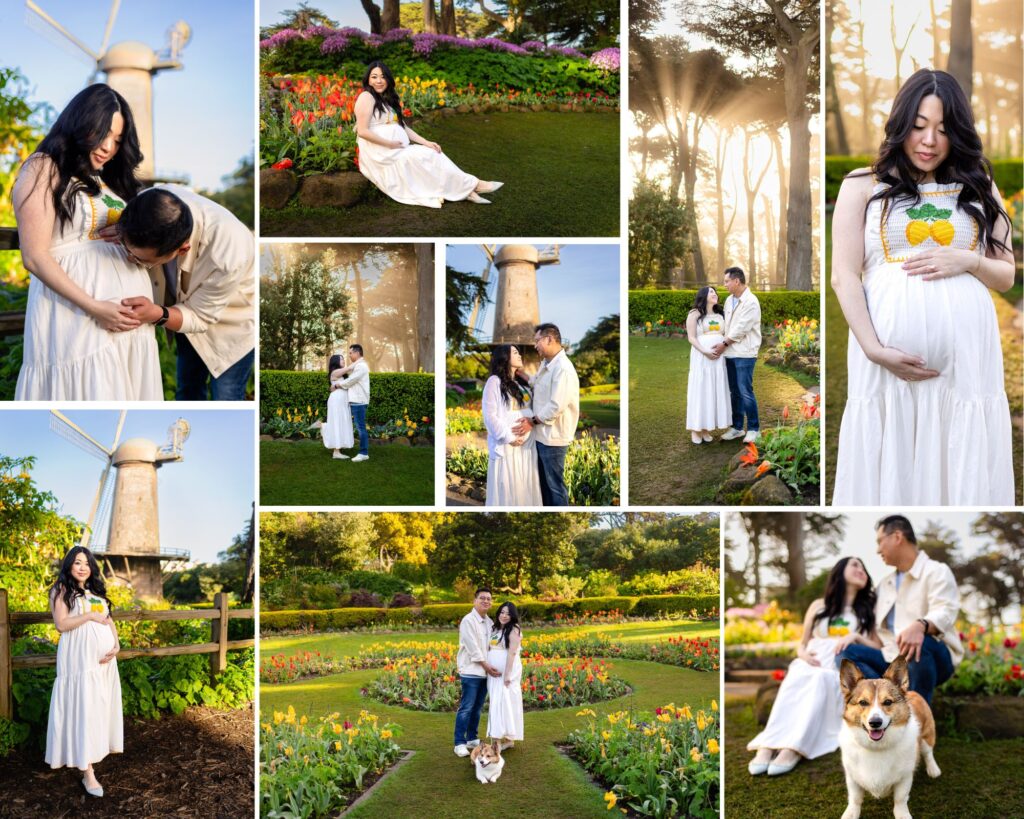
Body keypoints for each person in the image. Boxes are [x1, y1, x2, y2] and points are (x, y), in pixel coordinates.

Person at [831, 69, 1015, 505]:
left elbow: (1006, 275)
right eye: (918, 126)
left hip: (966, 369)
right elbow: (843, 276)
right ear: (900, 124)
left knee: (960, 453)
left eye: (943, 129)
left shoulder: (979, 185)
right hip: (885, 367)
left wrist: (968, 260)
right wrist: (875, 349)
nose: (928, 140)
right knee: (891, 453)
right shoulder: (862, 185)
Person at [13, 83, 161, 400]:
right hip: (77, 315)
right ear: (81, 124)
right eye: (102, 133)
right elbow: (35, 257)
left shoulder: (105, 180)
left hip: (127, 328)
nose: (109, 147)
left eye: (118, 140)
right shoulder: (43, 167)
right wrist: (95, 308)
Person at [110, 185, 256, 401]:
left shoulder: (228, 252)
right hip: (184, 319)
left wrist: (156, 314)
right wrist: (122, 232)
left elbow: (199, 316)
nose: (131, 260)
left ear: (182, 250)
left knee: (226, 398)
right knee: (187, 391)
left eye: (141, 260)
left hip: (231, 327)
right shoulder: (148, 205)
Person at [747, 557, 880, 777]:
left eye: (863, 567)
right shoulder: (819, 606)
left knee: (821, 680)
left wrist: (856, 637)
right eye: (855, 565)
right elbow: (803, 641)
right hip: (813, 659)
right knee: (798, 673)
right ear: (840, 571)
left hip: (836, 665)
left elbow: (877, 646)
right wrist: (803, 655)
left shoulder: (867, 611)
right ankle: (768, 744)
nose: (861, 570)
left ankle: (794, 748)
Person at [838, 515, 962, 706]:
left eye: (880, 541)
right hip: (891, 659)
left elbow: (946, 610)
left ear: (897, 537)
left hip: (933, 657)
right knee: (847, 653)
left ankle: (916, 720)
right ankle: (887, 703)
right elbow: (879, 635)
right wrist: (857, 638)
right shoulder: (884, 585)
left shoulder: (936, 571)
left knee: (918, 644)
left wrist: (921, 626)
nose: (878, 549)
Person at [354, 60, 503, 207]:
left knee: (432, 152)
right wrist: (389, 144)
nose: (379, 81)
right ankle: (476, 185)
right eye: (374, 77)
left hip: (394, 150)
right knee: (423, 157)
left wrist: (426, 142)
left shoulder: (385, 99)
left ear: (388, 79)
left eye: (383, 76)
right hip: (381, 154)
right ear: (368, 79)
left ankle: (468, 190)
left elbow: (403, 127)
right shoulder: (366, 97)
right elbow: (362, 131)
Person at [45, 546, 123, 797]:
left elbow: (109, 620)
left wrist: (116, 643)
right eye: (77, 562)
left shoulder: (95, 591)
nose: (82, 567)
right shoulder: (62, 589)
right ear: (69, 565)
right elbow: (61, 624)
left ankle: (95, 750)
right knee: (84, 708)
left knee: (98, 709)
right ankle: (87, 773)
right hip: (78, 661)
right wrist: (89, 615)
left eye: (86, 563)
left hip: (103, 663)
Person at [512, 323, 580, 507]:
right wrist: (519, 373)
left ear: (549, 339)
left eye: (537, 341)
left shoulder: (563, 369)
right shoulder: (547, 363)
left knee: (554, 487)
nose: (535, 346)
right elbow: (536, 383)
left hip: (553, 438)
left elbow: (556, 405)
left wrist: (531, 422)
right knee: (544, 486)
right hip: (543, 436)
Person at [482, 344, 542, 506]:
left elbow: (532, 407)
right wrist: (509, 437)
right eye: (515, 352)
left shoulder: (521, 383)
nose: (520, 355)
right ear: (505, 357)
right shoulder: (494, 382)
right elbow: (490, 416)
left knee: (524, 487)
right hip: (508, 445)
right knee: (508, 484)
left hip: (526, 447)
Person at [712, 267, 762, 444]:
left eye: (726, 281)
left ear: (736, 281)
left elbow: (741, 329)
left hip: (745, 353)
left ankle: (754, 429)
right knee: (735, 392)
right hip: (730, 353)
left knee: (745, 391)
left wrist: (723, 344)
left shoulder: (751, 301)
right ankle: (737, 428)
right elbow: (726, 325)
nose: (724, 285)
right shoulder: (729, 300)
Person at [454, 588, 501, 757]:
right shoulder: (468, 621)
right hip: (471, 671)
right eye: (482, 598)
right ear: (475, 600)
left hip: (485, 673)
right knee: (466, 707)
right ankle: (459, 742)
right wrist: (488, 666)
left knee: (478, 708)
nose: (486, 601)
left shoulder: (489, 622)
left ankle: (471, 738)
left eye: (489, 599)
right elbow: (473, 649)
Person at [685, 286, 732, 445]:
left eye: (715, 292)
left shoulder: (720, 315)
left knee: (712, 390)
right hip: (702, 358)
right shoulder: (694, 314)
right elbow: (691, 338)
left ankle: (706, 429)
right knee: (701, 389)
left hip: (718, 359)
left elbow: (725, 334)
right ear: (704, 296)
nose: (715, 294)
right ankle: (695, 429)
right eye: (711, 292)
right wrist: (705, 351)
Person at [486, 602, 524, 751]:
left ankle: (500, 740)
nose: (504, 616)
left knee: (505, 703)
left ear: (512, 616)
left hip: (506, 673)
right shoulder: (495, 628)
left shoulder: (514, 630)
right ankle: (505, 739)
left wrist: (507, 675)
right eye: (502, 612)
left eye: (508, 613)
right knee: (498, 702)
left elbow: (512, 653)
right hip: (493, 674)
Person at [334, 344, 370, 462]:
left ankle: (363, 453)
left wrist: (338, 384)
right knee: (359, 426)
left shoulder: (361, 366)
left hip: (359, 401)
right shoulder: (358, 365)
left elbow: (351, 380)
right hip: (355, 401)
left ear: (357, 353)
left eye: (350, 353)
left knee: (360, 427)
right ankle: (362, 451)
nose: (349, 355)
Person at [323, 353, 354, 458]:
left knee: (341, 422)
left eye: (343, 359)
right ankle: (336, 452)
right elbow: (349, 369)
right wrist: (358, 362)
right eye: (341, 359)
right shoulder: (335, 372)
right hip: (336, 401)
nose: (343, 361)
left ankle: (338, 448)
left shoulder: (340, 374)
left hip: (342, 401)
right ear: (335, 362)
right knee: (337, 422)